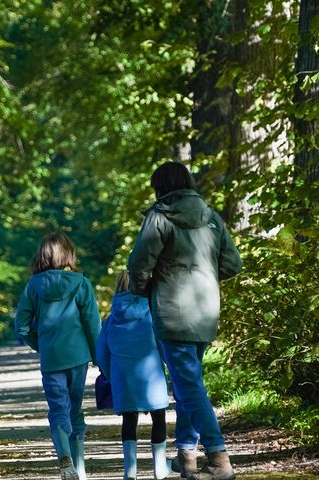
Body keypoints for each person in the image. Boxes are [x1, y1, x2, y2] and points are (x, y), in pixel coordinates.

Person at [127, 162, 242, 480]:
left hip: (172, 311)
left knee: (189, 387)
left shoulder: (160, 217)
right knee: (189, 383)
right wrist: (205, 278)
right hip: (206, 310)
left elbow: (138, 264)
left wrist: (145, 289)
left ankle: (219, 459)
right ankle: (187, 455)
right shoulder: (211, 216)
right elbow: (233, 263)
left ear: (160, 187)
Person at [14, 231, 101, 480]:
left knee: (58, 409)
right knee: (75, 409)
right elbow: (92, 325)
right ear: (68, 255)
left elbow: (21, 326)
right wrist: (99, 358)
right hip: (78, 357)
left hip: (51, 358)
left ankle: (64, 456)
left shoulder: (33, 286)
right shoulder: (81, 283)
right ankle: (80, 469)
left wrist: (41, 344)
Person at [96, 270, 171, 480]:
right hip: (152, 375)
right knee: (159, 418)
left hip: (123, 377)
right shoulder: (152, 313)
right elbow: (163, 344)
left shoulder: (111, 320)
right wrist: (169, 366)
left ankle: (130, 471)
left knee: (129, 421)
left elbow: (102, 352)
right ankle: (159, 468)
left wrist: (110, 374)